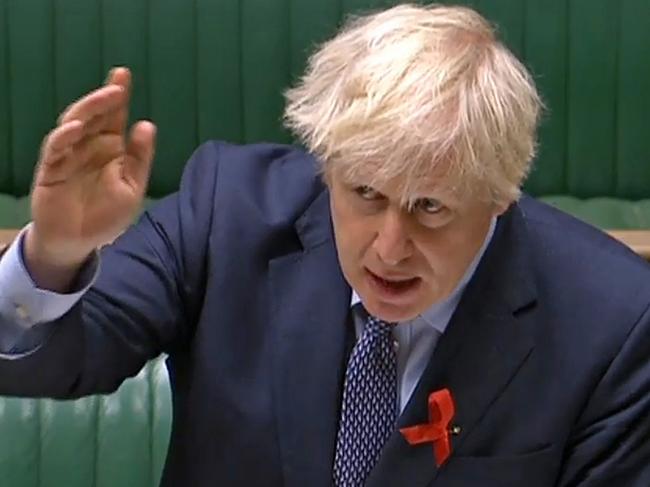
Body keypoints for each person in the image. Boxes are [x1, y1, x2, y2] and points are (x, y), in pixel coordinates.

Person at [0, 4, 648, 486]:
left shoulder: (613, 323)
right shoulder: (228, 213)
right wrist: (56, 253)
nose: (390, 248)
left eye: (430, 207)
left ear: (502, 193)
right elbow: (47, 358)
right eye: (365, 192)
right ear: (326, 163)